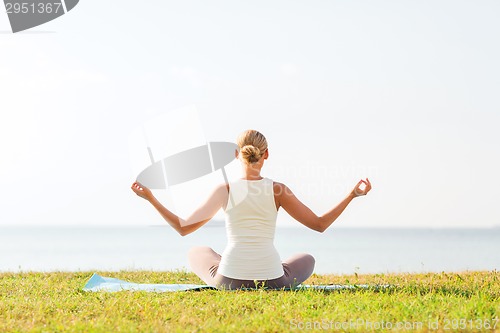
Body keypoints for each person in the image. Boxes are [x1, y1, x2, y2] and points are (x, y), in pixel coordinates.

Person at [131, 129, 371, 290]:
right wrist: (352, 195)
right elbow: (319, 225)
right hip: (273, 281)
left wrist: (151, 198)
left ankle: (234, 262)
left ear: (237, 155)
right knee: (307, 259)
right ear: (266, 154)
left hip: (228, 280)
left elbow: (184, 228)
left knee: (198, 251)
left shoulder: (224, 190)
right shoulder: (278, 190)